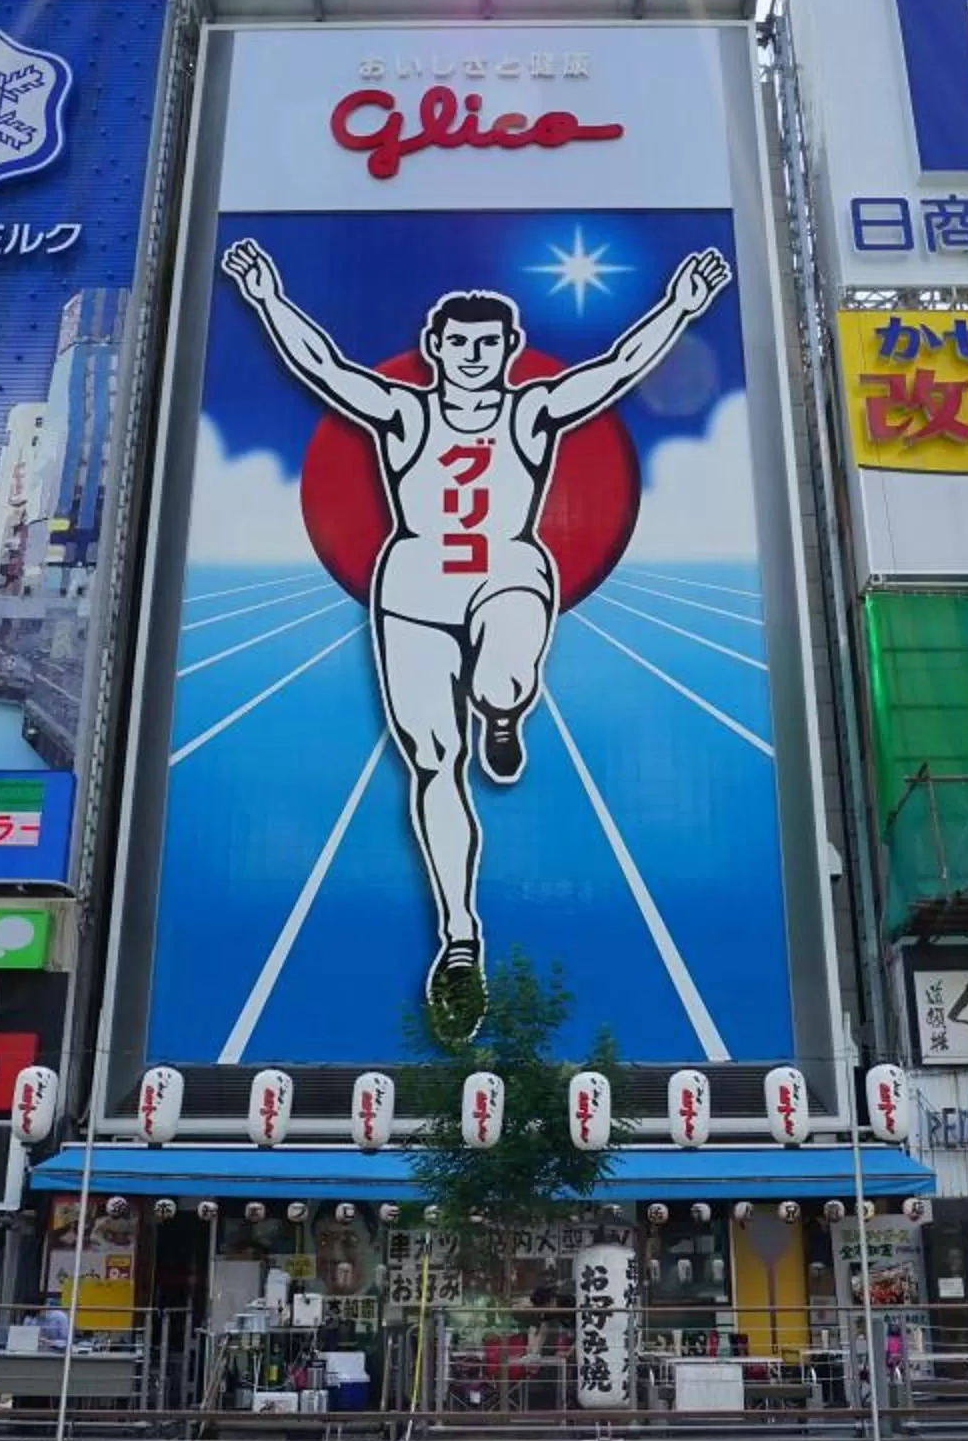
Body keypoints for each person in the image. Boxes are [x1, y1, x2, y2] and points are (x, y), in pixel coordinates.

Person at [220, 238, 732, 1043]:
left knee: (499, 681)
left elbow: (619, 368)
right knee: (431, 760)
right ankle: (460, 938)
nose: (471, 356)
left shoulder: (532, 411)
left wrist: (680, 307)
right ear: (435, 349)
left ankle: (502, 710)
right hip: (415, 586)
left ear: (507, 351)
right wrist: (265, 296)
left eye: (486, 344)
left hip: (508, 571)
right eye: (458, 343)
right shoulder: (402, 411)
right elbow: (322, 365)